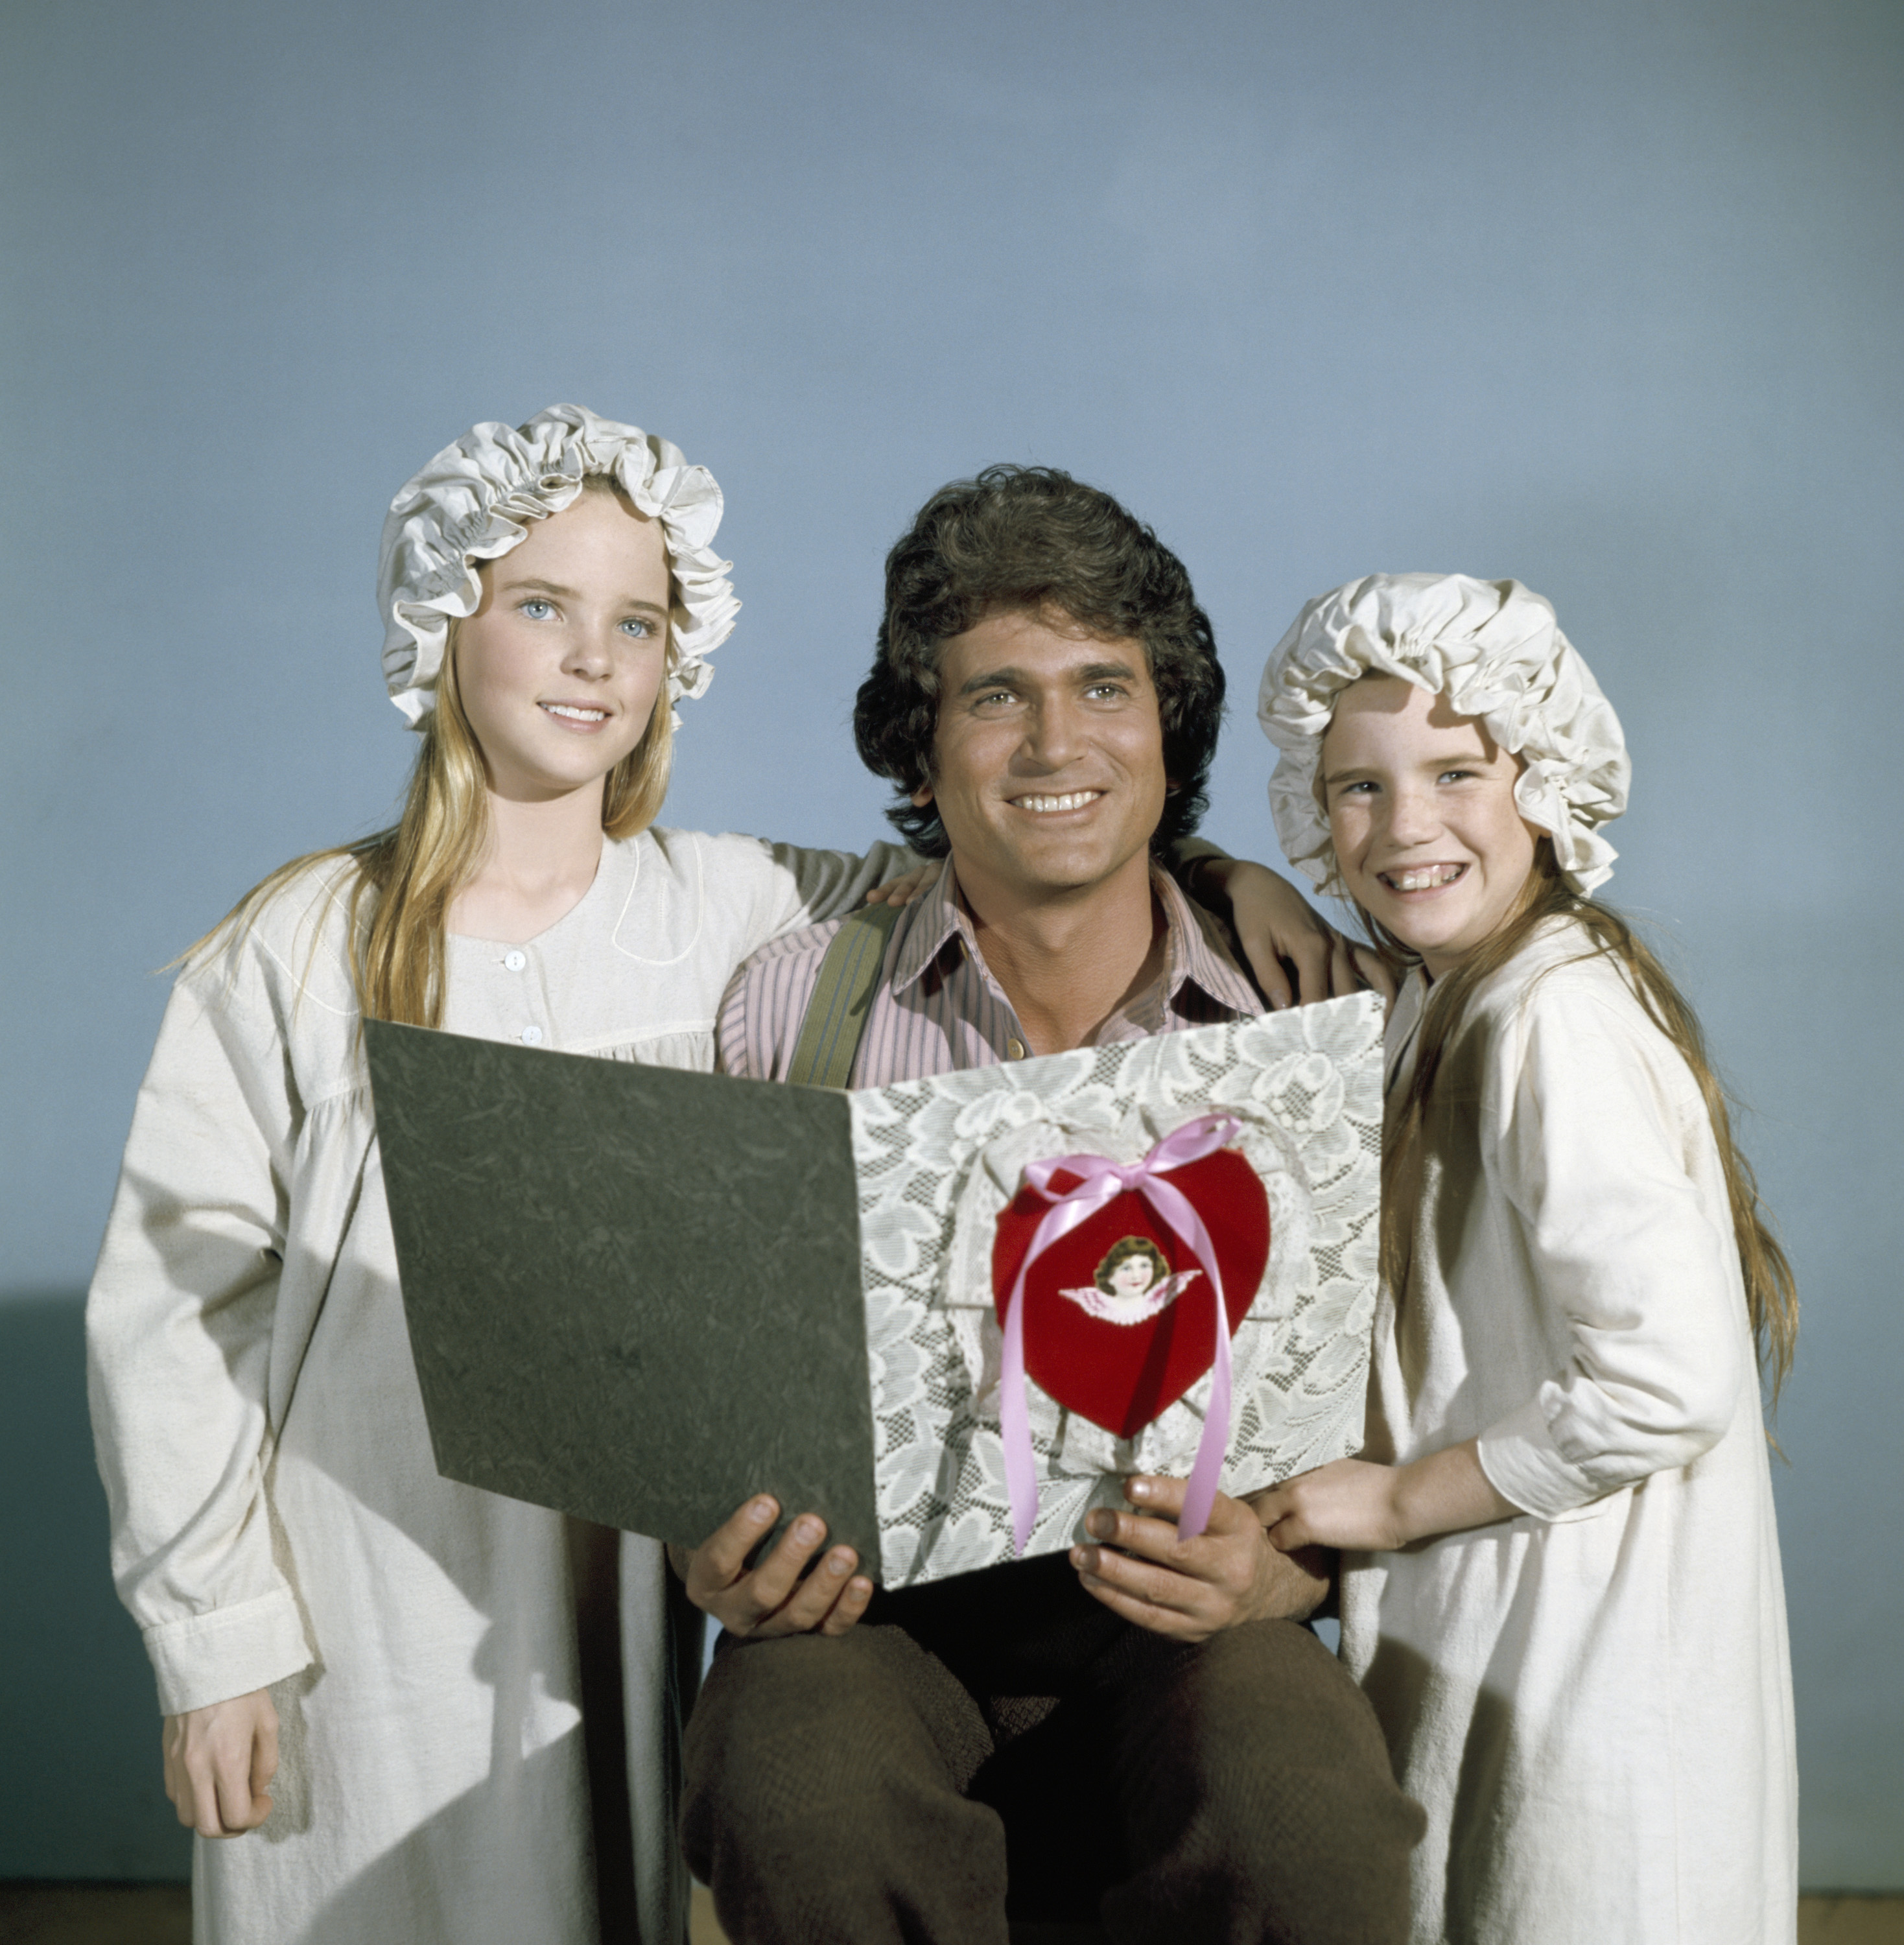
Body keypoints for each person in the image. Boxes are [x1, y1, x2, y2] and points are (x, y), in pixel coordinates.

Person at [87, 410, 1346, 1945]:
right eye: (539, 605)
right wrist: (214, 1636)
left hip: (605, 1592)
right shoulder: (300, 942)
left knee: (583, 1882)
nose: (588, 657)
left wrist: (1223, 868)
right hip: (369, 1555)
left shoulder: (726, 906)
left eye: (634, 620)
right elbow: (167, 1309)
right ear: (438, 622)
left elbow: (1030, 841)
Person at [676, 466, 1425, 1945]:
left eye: (1102, 686)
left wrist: (1292, 1565)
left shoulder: (1309, 1001)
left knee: (1299, 1805)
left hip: (1193, 1591)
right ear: (922, 741)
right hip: (872, 1616)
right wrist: (709, 1544)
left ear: (1166, 728)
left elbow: (1410, 1351)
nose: (1056, 741)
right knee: (794, 1783)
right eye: (995, 697)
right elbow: (709, 1375)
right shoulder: (791, 1006)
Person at [1251, 574, 1800, 1944]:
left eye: (1452, 772)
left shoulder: (1549, 1023)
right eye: (1356, 789)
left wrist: (1385, 1506)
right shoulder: (1458, 997)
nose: (1404, 826)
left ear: (1544, 784)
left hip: (1595, 1680)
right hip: (1507, 1641)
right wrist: (1221, 872)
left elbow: (1667, 1383)